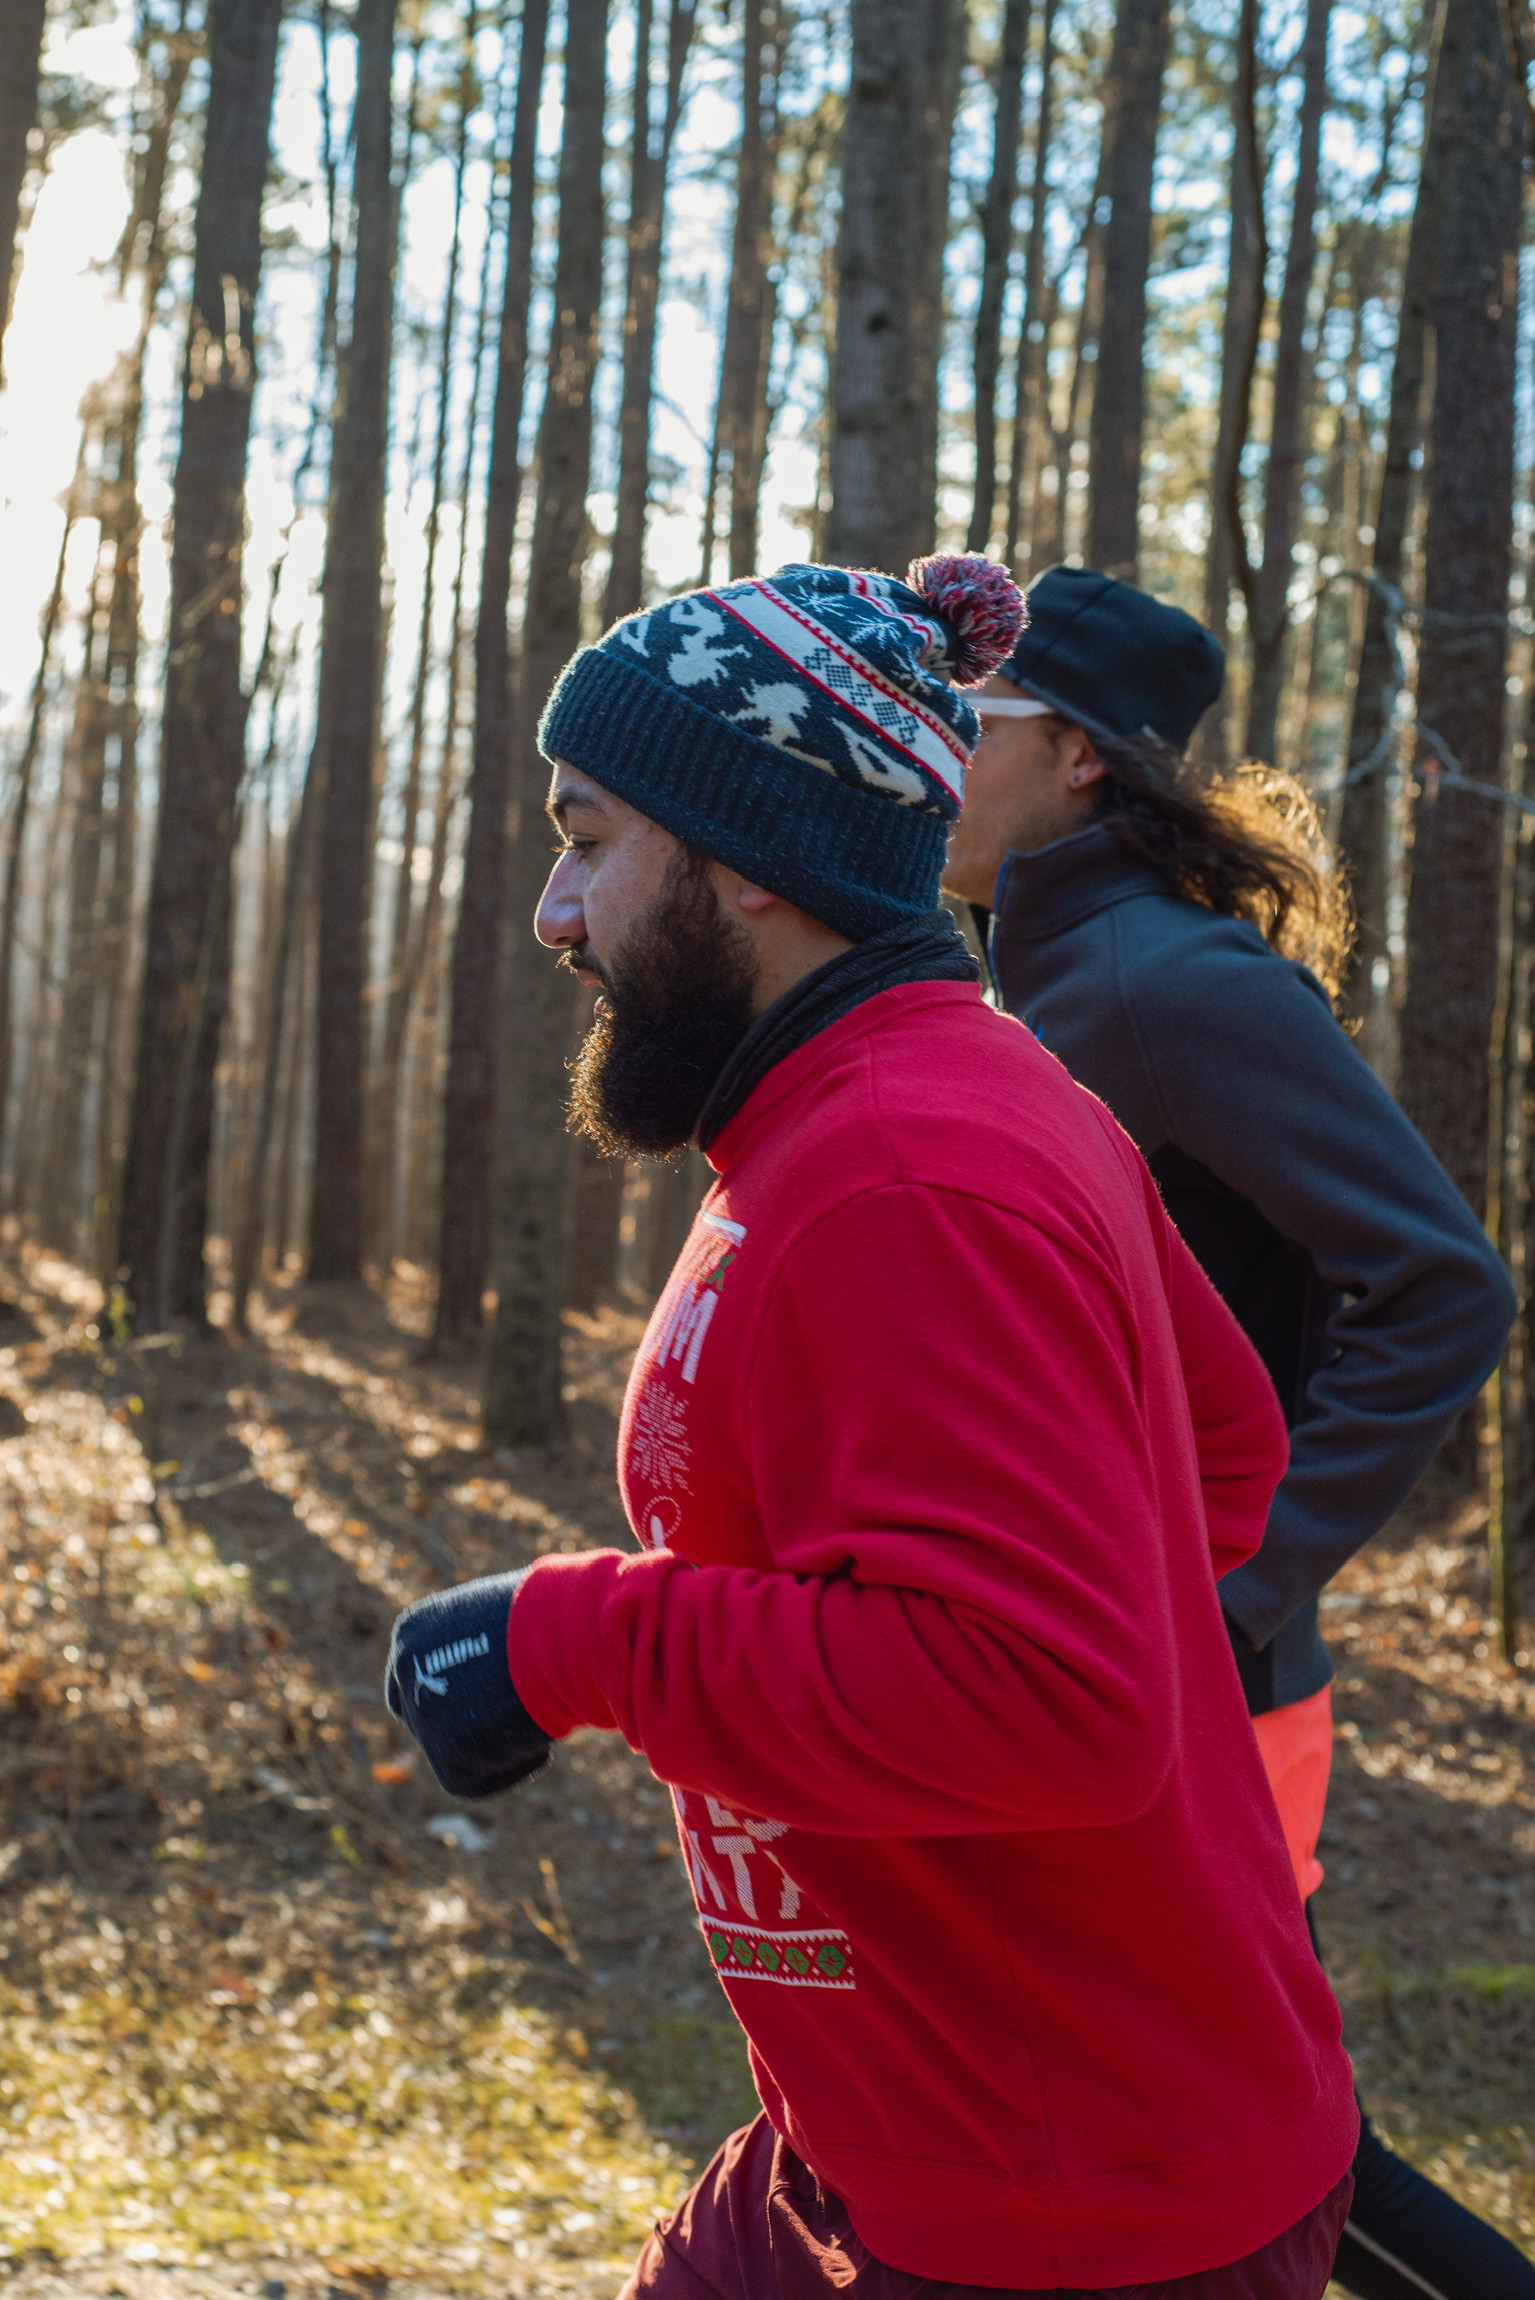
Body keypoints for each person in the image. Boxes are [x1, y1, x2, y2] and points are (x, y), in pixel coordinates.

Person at [386, 555, 1358, 2300]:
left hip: (1073, 2219)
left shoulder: (909, 1168)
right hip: (897, 2122)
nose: (553, 909)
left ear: (748, 852)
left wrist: (570, 1642)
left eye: (588, 838)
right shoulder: (900, 1100)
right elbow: (1224, 1461)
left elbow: (1048, 1700)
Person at [942, 563, 1531, 2300]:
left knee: (1269, 2149)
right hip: (1090, 1675)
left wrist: (1237, 1587)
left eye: (967, 728)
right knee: (1159, 2133)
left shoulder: (1173, 987)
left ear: (1081, 764)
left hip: (1209, 1682)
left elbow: (1443, 1286)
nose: (925, 757)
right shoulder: (1023, 988)